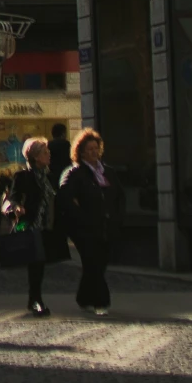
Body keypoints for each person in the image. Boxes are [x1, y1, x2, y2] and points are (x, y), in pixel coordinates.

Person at [57, 127, 115, 316]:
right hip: (83, 228)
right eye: (89, 149)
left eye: (96, 148)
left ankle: (83, 297)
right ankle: (102, 301)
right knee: (93, 262)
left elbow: (118, 195)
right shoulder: (75, 173)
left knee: (98, 263)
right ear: (80, 152)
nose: (93, 152)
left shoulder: (106, 172)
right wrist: (81, 217)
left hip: (105, 226)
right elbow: (66, 197)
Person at [9, 136, 61, 316]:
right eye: (45, 153)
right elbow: (13, 197)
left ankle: (34, 299)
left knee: (41, 264)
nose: (49, 155)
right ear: (36, 157)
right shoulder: (23, 176)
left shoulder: (49, 176)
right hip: (31, 226)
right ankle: (36, 300)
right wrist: (17, 207)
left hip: (48, 226)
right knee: (36, 264)